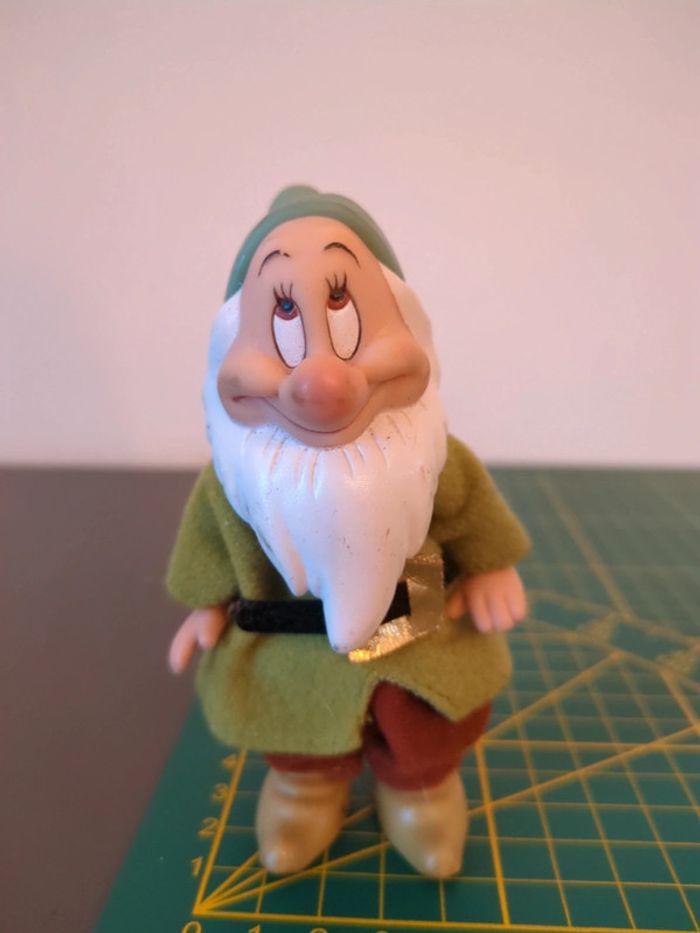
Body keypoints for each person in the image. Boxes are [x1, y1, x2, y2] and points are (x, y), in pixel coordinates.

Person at [167, 186, 530, 878]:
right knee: (295, 729)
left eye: (342, 302)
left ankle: (421, 790)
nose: (322, 382)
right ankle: (305, 788)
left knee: (422, 727)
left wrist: (491, 567)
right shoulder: (237, 482)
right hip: (288, 648)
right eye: (283, 312)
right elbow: (213, 542)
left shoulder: (430, 459)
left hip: (415, 632)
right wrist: (206, 605)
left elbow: (470, 512)